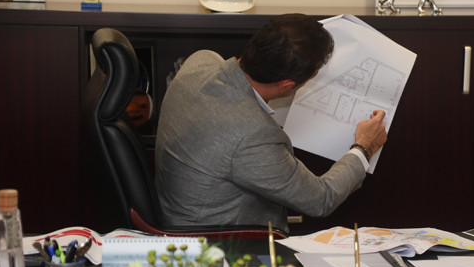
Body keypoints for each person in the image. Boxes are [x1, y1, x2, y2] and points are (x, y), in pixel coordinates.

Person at [154, 13, 387, 233]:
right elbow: (321, 200)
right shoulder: (253, 135)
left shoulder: (200, 61)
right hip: (220, 243)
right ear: (287, 85)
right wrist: (364, 147)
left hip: (175, 213)